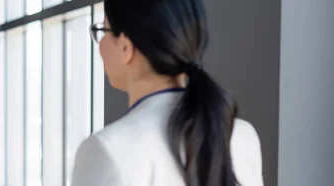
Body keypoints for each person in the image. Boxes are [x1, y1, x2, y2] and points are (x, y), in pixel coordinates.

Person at [71, 0, 263, 186]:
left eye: (103, 30)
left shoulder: (107, 150)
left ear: (125, 47)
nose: (100, 44)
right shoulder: (242, 136)